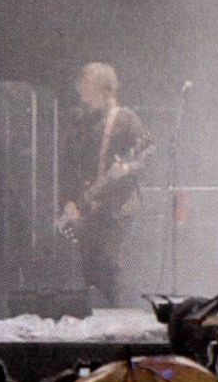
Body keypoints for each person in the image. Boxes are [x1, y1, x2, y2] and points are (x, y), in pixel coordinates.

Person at [56, 61, 153, 306]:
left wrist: (127, 169)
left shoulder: (125, 119)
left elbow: (146, 153)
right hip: (86, 210)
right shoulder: (81, 122)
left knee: (110, 268)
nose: (80, 90)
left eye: (86, 84)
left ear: (102, 87)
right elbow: (68, 167)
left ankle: (117, 324)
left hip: (116, 211)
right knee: (88, 272)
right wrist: (68, 202)